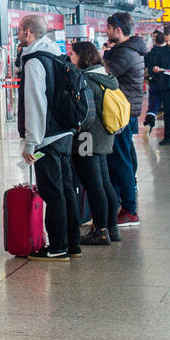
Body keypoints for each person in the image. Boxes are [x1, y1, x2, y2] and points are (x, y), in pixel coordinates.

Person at [16, 14, 81, 261]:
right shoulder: (56, 55)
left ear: (29, 33)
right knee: (66, 190)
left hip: (47, 138)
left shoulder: (34, 61)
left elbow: (35, 103)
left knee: (53, 193)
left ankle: (58, 247)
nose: (18, 34)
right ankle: (73, 244)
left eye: (20, 30)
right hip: (64, 132)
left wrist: (30, 142)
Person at [69, 42, 120, 246]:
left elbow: (84, 113)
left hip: (87, 138)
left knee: (93, 185)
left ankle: (100, 231)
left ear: (83, 56)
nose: (70, 57)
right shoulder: (105, 76)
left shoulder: (87, 80)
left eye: (73, 54)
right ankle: (111, 228)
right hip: (104, 135)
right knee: (104, 183)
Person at [103, 12, 146, 229]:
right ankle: (122, 204)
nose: (106, 32)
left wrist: (101, 58)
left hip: (120, 112)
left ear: (117, 29)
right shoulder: (128, 50)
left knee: (120, 160)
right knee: (125, 156)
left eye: (108, 28)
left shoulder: (125, 53)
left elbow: (105, 74)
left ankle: (129, 209)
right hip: (126, 110)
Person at [142, 30, 168, 134]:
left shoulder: (150, 54)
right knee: (168, 105)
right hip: (167, 83)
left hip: (153, 82)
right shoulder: (168, 53)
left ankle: (149, 122)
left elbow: (145, 67)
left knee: (153, 104)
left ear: (155, 41)